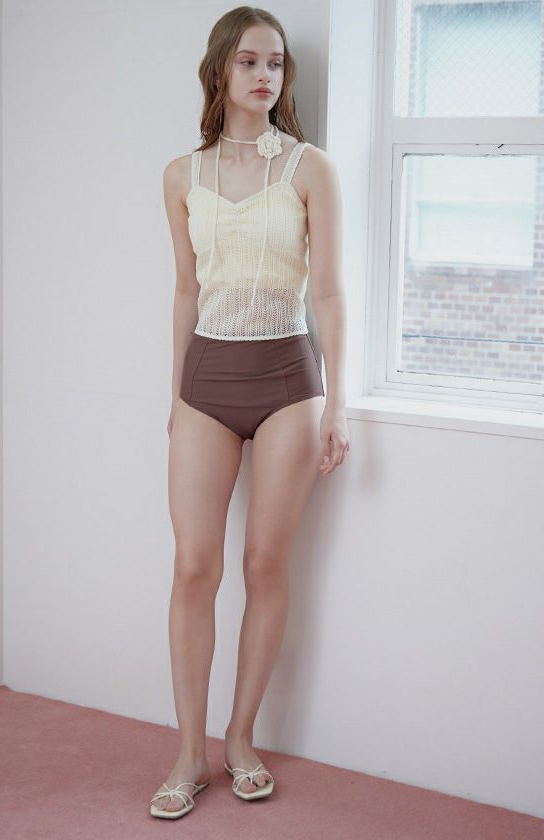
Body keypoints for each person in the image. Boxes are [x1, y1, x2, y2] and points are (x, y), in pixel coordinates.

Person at [151, 6, 350, 820]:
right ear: (219, 72)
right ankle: (188, 755)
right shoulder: (181, 175)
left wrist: (339, 402)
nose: (265, 75)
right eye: (248, 62)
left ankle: (240, 739)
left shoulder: (310, 167)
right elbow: (184, 290)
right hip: (206, 379)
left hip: (289, 381)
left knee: (266, 565)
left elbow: (328, 292)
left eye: (275, 63)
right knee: (193, 568)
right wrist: (176, 395)